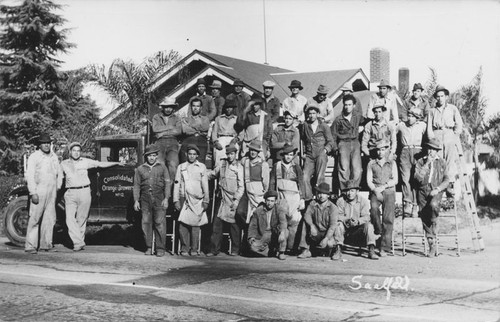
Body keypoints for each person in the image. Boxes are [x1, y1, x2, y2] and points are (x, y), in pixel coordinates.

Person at [61, 141, 123, 251]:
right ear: (70, 152)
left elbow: (100, 164)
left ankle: (78, 243)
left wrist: (116, 163)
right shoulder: (63, 164)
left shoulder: (85, 162)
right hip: (70, 193)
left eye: (78, 151)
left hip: (84, 191)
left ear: (80, 152)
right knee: (70, 219)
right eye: (74, 151)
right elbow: (56, 175)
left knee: (82, 218)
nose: (76, 153)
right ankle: (78, 241)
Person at [24, 134, 63, 254]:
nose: (46, 145)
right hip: (39, 191)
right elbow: (29, 176)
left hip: (51, 192)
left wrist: (58, 186)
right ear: (39, 144)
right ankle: (30, 246)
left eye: (48, 143)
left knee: (49, 219)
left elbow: (59, 172)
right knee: (35, 218)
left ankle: (46, 244)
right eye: (44, 143)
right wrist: (33, 192)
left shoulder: (54, 157)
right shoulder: (34, 157)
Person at [206, 143, 244, 256]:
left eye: (232, 154)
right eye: (228, 154)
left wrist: (236, 200)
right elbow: (212, 174)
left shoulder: (239, 167)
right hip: (222, 197)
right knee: (217, 224)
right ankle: (214, 249)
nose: (230, 156)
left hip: (233, 198)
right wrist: (202, 174)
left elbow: (241, 186)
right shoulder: (222, 163)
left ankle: (235, 249)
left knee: (234, 225)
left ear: (236, 154)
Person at [414, 138, 450, 257]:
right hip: (423, 190)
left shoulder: (442, 162)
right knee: (423, 214)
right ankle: (431, 243)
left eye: (433, 149)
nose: (431, 151)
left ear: (437, 151)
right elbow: (417, 178)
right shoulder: (420, 161)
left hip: (436, 190)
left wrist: (438, 189)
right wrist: (427, 164)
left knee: (434, 205)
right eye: (429, 148)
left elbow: (446, 180)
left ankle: (434, 222)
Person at [133, 144, 170, 257]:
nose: (152, 158)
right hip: (145, 199)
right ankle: (149, 247)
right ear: (146, 157)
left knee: (159, 223)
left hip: (159, 197)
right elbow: (136, 186)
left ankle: (160, 248)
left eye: (154, 156)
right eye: (149, 156)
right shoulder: (140, 169)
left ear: (157, 156)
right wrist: (136, 200)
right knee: (146, 223)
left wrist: (166, 198)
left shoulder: (162, 167)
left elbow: (167, 184)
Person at [173, 144, 209, 256]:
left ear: (197, 155)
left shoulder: (202, 167)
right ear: (186, 154)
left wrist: (206, 200)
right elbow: (176, 185)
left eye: (194, 154)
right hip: (185, 198)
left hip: (198, 199)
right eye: (190, 154)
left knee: (195, 225)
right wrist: (176, 200)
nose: (192, 156)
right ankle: (184, 248)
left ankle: (194, 249)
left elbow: (205, 184)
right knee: (183, 224)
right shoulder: (181, 167)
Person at [270, 144, 305, 253]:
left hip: (294, 197)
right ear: (283, 155)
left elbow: (301, 183)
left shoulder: (296, 167)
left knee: (294, 222)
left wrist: (302, 198)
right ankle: (280, 248)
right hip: (281, 196)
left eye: (291, 155)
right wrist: (273, 196)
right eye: (286, 155)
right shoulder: (277, 166)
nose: (288, 157)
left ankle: (291, 247)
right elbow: (272, 182)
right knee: (281, 222)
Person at [427, 85, 464, 190]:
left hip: (448, 133)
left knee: (449, 159)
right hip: (437, 134)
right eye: (438, 96)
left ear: (446, 96)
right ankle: (439, 183)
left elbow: (459, 123)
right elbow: (429, 127)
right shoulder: (432, 111)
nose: (440, 98)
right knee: (438, 159)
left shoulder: (452, 108)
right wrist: (432, 139)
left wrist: (454, 135)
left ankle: (449, 184)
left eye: (442, 96)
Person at [366, 140, 398, 257]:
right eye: (378, 150)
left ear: (387, 150)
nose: (380, 152)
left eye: (383, 149)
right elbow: (369, 180)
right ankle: (378, 230)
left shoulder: (392, 163)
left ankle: (384, 247)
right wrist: (375, 190)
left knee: (388, 219)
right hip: (376, 191)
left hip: (389, 191)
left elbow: (395, 180)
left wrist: (384, 186)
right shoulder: (371, 164)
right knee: (373, 209)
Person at [334, 180, 378, 260]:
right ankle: (338, 249)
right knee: (338, 225)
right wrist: (346, 220)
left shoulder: (363, 201)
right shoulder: (340, 201)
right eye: (347, 191)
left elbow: (366, 217)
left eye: (352, 191)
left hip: (358, 231)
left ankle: (371, 249)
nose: (349, 193)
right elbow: (337, 216)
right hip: (345, 230)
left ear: (357, 191)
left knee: (369, 226)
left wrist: (357, 221)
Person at [396, 107, 426, 217]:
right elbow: (391, 133)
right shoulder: (401, 125)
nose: (410, 118)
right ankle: (407, 202)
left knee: (416, 179)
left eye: (413, 116)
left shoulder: (422, 126)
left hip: (418, 151)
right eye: (409, 115)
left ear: (418, 118)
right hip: (405, 152)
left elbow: (429, 136)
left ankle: (415, 204)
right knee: (405, 179)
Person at [301, 102, 334, 201]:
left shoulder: (323, 126)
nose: (311, 116)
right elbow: (303, 139)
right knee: (304, 177)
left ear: (317, 114)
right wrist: (304, 152)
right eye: (309, 113)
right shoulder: (305, 125)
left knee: (319, 176)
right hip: (309, 155)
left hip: (321, 153)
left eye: (314, 113)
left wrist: (325, 150)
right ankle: (309, 199)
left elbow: (331, 141)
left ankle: (319, 198)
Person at [331, 94, 364, 190]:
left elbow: (366, 122)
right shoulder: (338, 119)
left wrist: (363, 128)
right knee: (344, 169)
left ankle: (354, 189)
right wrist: (335, 148)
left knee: (357, 169)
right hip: (343, 143)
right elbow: (332, 135)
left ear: (354, 105)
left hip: (355, 143)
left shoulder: (357, 116)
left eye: (349, 105)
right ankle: (345, 191)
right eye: (345, 105)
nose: (347, 107)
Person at [297, 183, 338, 259]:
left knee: (330, 244)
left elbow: (332, 226)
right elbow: (307, 215)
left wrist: (326, 238)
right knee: (305, 222)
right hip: (316, 232)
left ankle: (335, 251)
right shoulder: (313, 203)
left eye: (324, 193)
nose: (321, 196)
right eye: (319, 193)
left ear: (328, 195)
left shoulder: (333, 207)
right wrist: (311, 225)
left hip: (327, 233)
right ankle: (305, 250)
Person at [248, 190, 288, 260]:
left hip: (275, 232)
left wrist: (282, 232)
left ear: (275, 201)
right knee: (253, 246)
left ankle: (281, 252)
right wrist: (251, 237)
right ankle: (269, 251)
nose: (269, 203)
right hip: (264, 233)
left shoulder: (279, 209)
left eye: (272, 201)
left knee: (285, 232)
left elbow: (283, 222)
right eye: (268, 200)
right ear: (265, 200)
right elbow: (253, 225)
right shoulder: (258, 211)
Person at [237, 140, 270, 225]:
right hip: (247, 192)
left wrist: (263, 193)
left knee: (258, 215)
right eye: (251, 150)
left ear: (258, 152)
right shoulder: (245, 161)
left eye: (255, 150)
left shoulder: (263, 164)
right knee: (240, 212)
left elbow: (266, 183)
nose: (253, 152)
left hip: (258, 194)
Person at [152, 97, 182, 180]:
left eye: (170, 107)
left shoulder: (177, 118)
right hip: (160, 142)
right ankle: (160, 187)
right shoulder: (156, 117)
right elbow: (155, 129)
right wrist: (171, 127)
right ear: (163, 107)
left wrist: (163, 133)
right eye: (166, 107)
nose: (168, 109)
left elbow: (179, 131)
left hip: (173, 142)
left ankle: (172, 188)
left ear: (173, 108)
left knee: (173, 164)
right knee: (159, 164)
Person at [238, 94, 273, 159]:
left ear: (260, 105)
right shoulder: (248, 115)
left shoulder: (265, 116)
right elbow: (240, 124)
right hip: (249, 142)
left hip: (261, 141)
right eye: (253, 104)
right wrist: (246, 109)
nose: (254, 106)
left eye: (256, 104)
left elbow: (269, 131)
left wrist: (267, 146)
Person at [180, 97, 210, 164]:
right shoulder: (186, 119)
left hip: (201, 140)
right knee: (185, 161)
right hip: (188, 140)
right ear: (191, 107)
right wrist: (198, 130)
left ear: (201, 108)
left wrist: (190, 126)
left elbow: (205, 128)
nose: (195, 108)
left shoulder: (205, 119)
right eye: (193, 106)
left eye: (198, 106)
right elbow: (185, 130)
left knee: (200, 162)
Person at [211, 100, 238, 167]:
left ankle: (232, 172)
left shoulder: (236, 119)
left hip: (232, 138)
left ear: (233, 109)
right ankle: (218, 172)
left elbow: (241, 132)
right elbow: (214, 132)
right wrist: (215, 142)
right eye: (227, 107)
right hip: (221, 138)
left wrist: (236, 140)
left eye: (230, 108)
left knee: (233, 153)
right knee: (219, 153)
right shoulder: (219, 118)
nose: (228, 109)